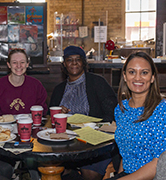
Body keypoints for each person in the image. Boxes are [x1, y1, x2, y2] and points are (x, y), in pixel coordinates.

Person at [106, 52, 166, 180]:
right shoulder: (121, 109)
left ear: (152, 77)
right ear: (124, 76)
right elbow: (126, 154)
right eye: (132, 72)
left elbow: (160, 163)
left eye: (144, 72)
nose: (137, 78)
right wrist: (119, 176)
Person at [49, 45, 118, 180]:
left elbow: (112, 111)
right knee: (53, 168)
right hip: (66, 142)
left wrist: (95, 129)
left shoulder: (97, 82)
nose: (74, 63)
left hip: (95, 143)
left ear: (84, 63)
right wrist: (59, 113)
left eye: (78, 59)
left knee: (90, 174)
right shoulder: (59, 90)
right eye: (70, 60)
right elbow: (50, 118)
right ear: (64, 64)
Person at [0, 48, 47, 124]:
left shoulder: (36, 85)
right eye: (14, 62)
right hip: (3, 131)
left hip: (29, 129)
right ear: (9, 65)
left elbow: (42, 112)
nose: (19, 66)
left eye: (22, 62)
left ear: (27, 64)